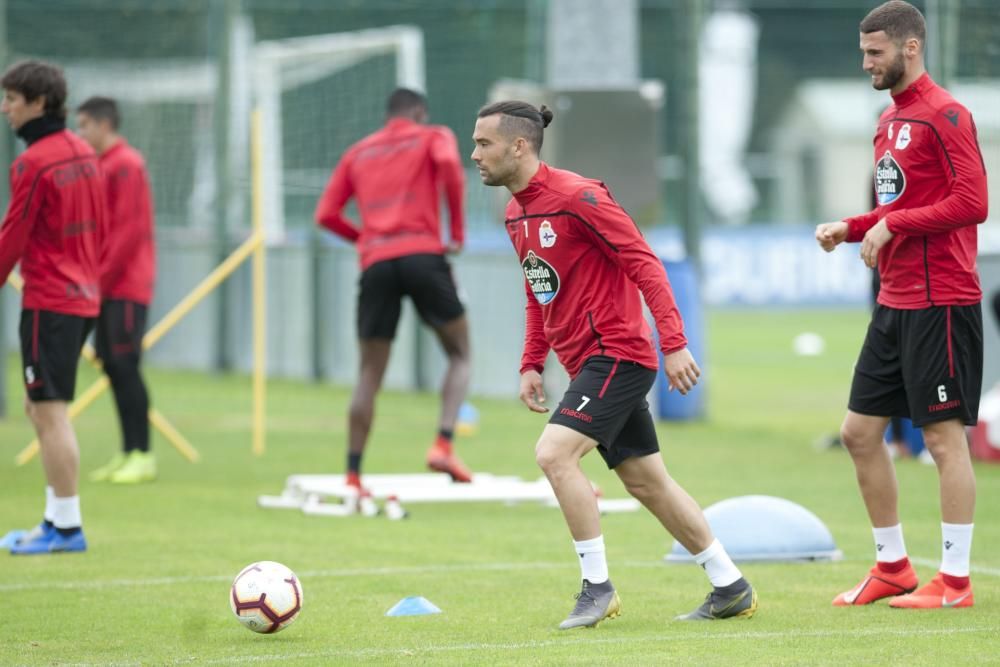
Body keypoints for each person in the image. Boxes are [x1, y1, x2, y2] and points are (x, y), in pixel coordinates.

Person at [471, 100, 757, 628]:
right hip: (585, 365)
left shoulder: (580, 197)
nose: (475, 155)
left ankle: (597, 588)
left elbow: (645, 263)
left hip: (618, 355)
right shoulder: (515, 212)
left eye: (483, 144)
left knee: (555, 455)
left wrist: (674, 341)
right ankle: (730, 585)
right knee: (648, 482)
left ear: (519, 146)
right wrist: (531, 362)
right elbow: (539, 290)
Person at [816, 0, 988, 609]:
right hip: (894, 301)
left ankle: (957, 583)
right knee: (859, 433)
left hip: (941, 301)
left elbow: (973, 203)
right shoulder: (890, 121)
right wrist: (855, 225)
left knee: (944, 441)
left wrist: (896, 225)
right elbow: (900, 208)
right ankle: (893, 566)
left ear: (910, 48)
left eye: (875, 52)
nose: (866, 62)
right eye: (865, 51)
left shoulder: (946, 114)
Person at [315, 88, 472, 489]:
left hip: (377, 263)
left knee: (368, 373)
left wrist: (365, 240)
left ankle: (352, 475)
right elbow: (451, 165)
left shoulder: (358, 152)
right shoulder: (434, 135)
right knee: (460, 353)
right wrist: (455, 229)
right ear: (419, 111)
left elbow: (326, 215)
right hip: (423, 254)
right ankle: (443, 444)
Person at [0, 60, 106, 554]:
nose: (5, 110)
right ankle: (54, 519)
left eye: (12, 100)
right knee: (40, 407)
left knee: (49, 411)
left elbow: (12, 237)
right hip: (84, 298)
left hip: (49, 301)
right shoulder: (85, 152)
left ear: (39, 103)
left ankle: (66, 528)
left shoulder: (32, 163)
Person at [76, 96, 157, 484]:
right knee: (112, 365)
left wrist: (100, 281)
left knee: (125, 365)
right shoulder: (101, 165)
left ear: (104, 125)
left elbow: (128, 231)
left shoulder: (127, 165)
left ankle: (142, 454)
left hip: (124, 285)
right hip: (104, 284)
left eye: (85, 126)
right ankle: (128, 452)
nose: (81, 134)